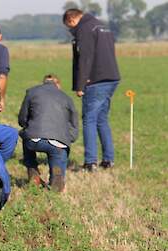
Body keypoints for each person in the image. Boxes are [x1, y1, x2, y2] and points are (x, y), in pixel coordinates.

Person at [63, 9, 121, 172]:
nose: (71, 30)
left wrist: (81, 85)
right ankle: (108, 160)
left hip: (95, 80)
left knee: (89, 119)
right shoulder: (102, 26)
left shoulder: (85, 29)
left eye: (69, 26)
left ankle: (90, 162)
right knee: (101, 119)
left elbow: (85, 58)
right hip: (112, 77)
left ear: (72, 19)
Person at [18, 75, 79, 192]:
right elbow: (74, 123)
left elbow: (22, 118)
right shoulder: (67, 98)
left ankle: (32, 171)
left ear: (44, 83)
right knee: (57, 162)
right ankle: (57, 179)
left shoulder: (32, 92)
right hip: (58, 143)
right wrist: (69, 138)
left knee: (26, 137)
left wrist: (26, 127)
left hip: (33, 140)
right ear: (58, 85)